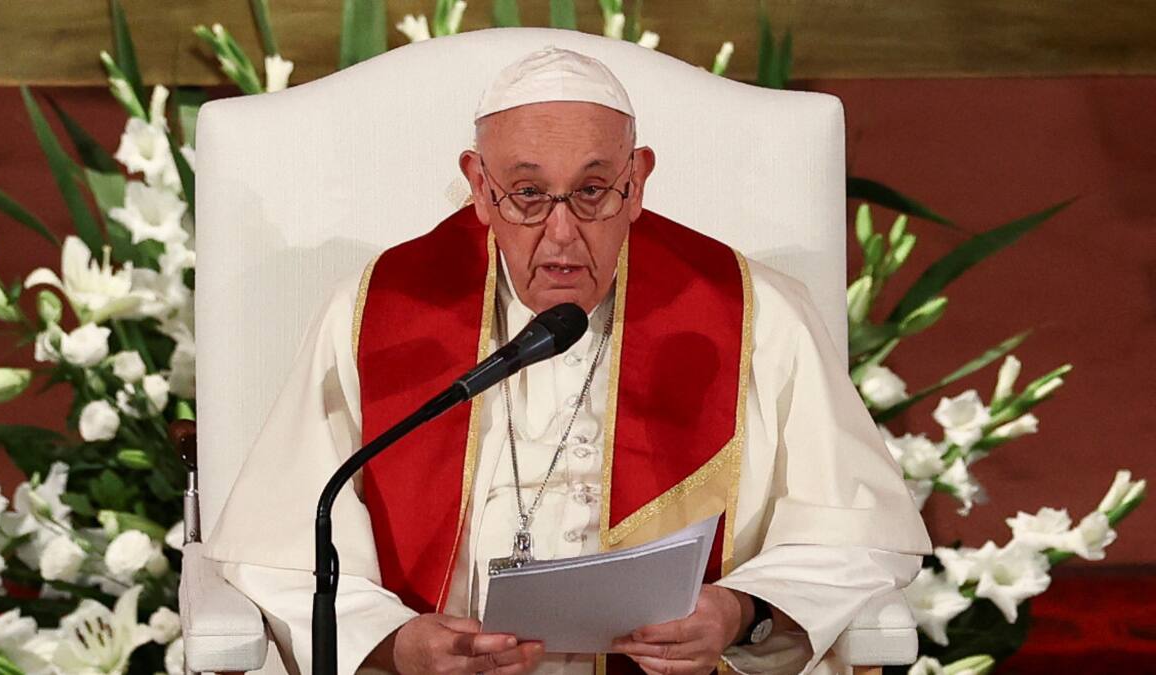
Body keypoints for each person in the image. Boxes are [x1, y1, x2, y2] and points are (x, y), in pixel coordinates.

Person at [203, 45, 932, 675]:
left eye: (591, 192)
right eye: (526, 194)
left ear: (637, 181)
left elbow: (858, 531)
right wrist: (398, 643)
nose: (560, 234)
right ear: (479, 187)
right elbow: (285, 545)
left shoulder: (758, 315)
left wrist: (739, 613)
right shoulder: (376, 316)